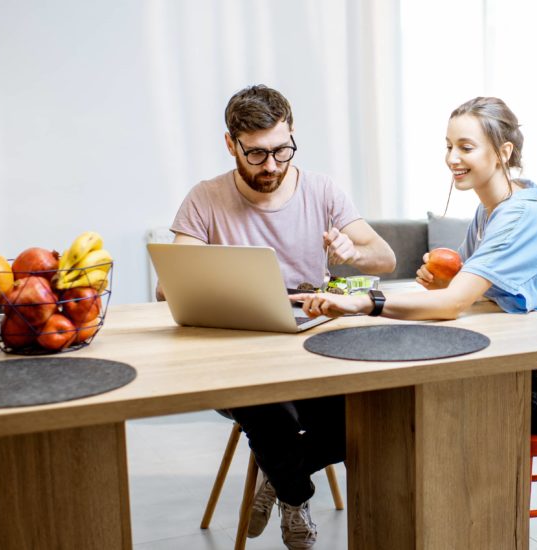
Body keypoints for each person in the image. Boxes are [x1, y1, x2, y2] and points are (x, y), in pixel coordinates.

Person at [159, 84, 395, 549]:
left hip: (312, 349)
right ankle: (296, 493)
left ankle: (282, 478)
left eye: (282, 151)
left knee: (368, 416)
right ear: (231, 144)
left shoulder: (322, 189)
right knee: (263, 402)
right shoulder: (205, 198)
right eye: (257, 154)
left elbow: (383, 258)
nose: (271, 166)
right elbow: (171, 285)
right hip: (239, 355)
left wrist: (354, 252)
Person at [292, 96, 537, 436]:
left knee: (402, 395)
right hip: (528, 363)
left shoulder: (520, 218)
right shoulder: (489, 212)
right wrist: (445, 285)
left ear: (504, 152)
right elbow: (463, 292)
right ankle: (296, 462)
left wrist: (363, 302)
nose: (452, 158)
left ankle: (292, 465)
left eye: (465, 147)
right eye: (449, 146)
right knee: (388, 390)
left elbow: (453, 304)